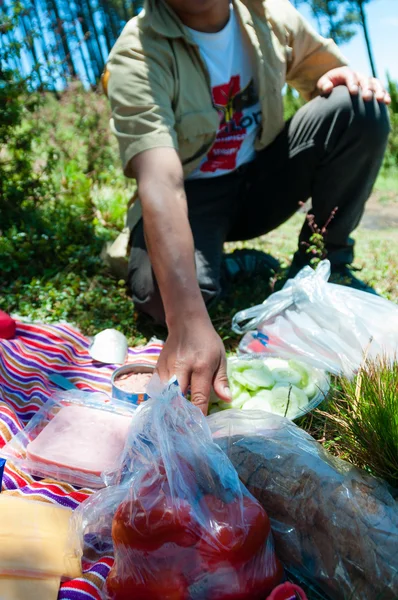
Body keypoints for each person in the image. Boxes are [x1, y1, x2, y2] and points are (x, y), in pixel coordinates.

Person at [104, 0, 391, 414]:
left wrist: (342, 80)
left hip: (261, 181)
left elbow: (327, 77)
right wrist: (186, 321)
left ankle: (328, 264)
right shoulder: (137, 53)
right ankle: (238, 265)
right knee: (159, 297)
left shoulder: (270, 15)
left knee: (359, 106)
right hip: (193, 197)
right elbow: (161, 181)